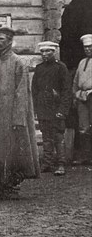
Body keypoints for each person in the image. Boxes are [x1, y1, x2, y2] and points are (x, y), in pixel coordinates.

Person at [0, 26, 40, 199]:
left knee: (12, 152)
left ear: (10, 41)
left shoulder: (18, 63)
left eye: (1, 39)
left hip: (10, 117)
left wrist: (18, 119)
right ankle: (0, 186)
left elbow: (21, 92)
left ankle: (9, 186)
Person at [32, 41, 71, 176]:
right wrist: (35, 107)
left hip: (56, 106)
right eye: (42, 52)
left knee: (58, 135)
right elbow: (34, 90)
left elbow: (66, 90)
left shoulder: (61, 68)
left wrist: (62, 110)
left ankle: (61, 164)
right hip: (43, 106)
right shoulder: (39, 68)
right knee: (46, 135)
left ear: (54, 52)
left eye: (48, 51)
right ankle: (47, 163)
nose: (44, 54)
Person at [72, 34, 92, 164]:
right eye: (86, 48)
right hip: (82, 97)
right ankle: (85, 156)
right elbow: (75, 81)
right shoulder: (82, 62)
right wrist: (74, 95)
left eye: (90, 47)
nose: (88, 50)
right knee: (83, 128)